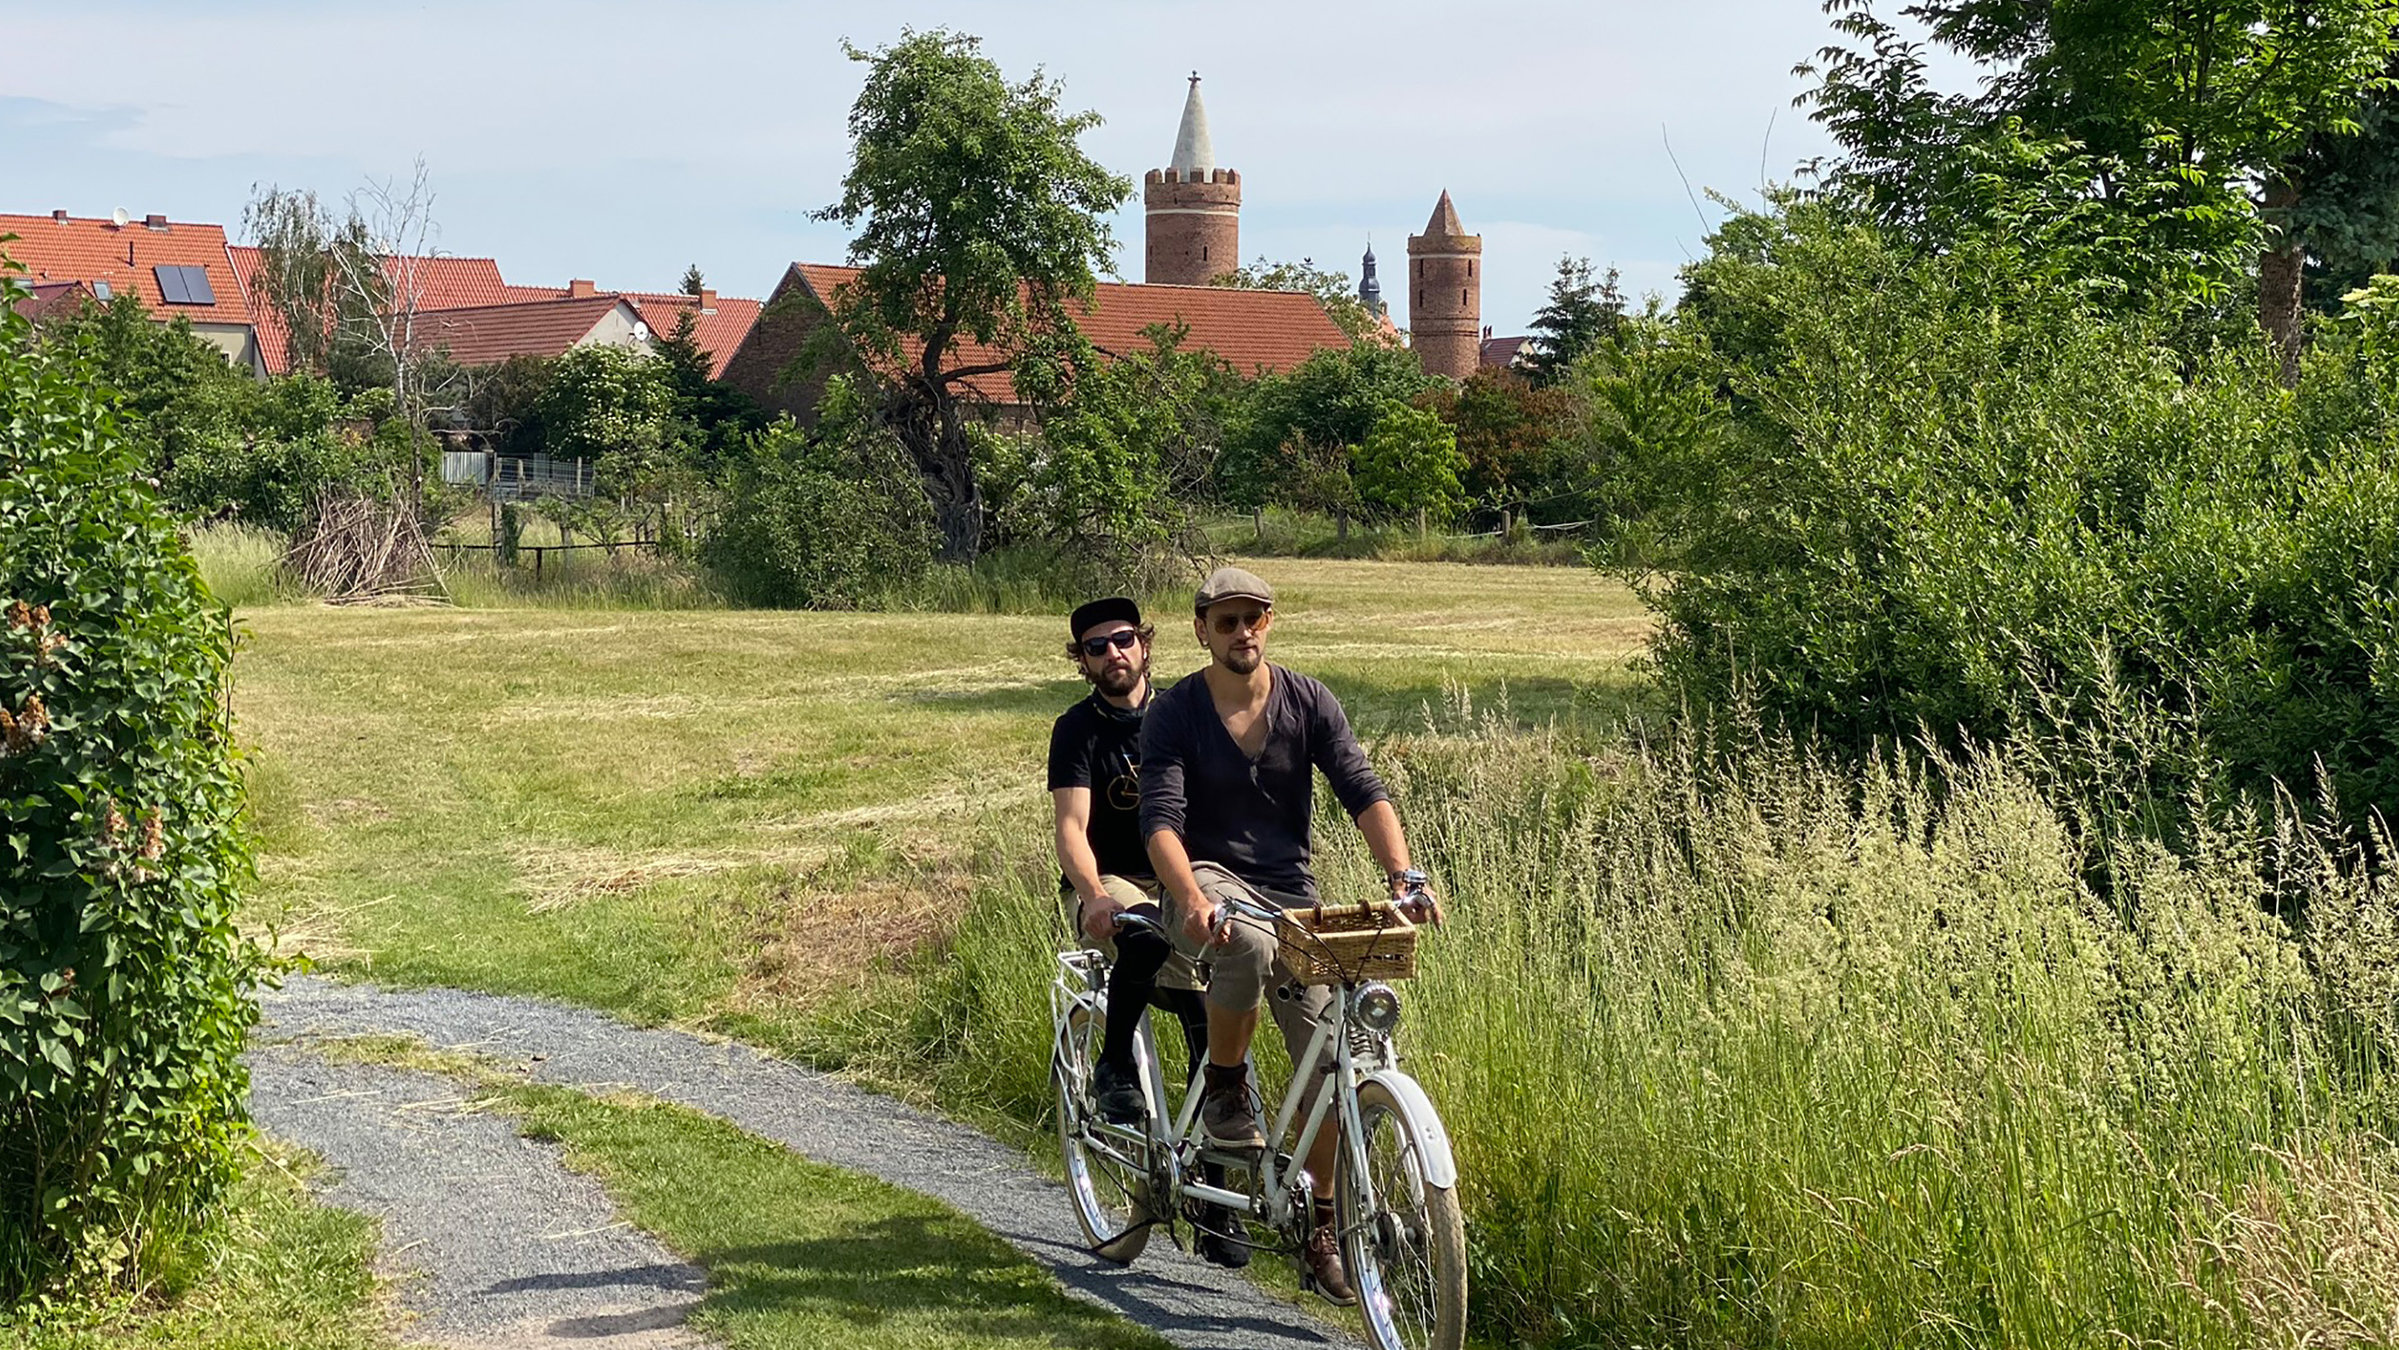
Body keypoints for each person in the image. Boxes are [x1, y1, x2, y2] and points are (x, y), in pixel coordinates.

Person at [1139, 566, 1441, 1307]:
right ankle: (1226, 1087)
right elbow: (1160, 824)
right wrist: (1189, 899)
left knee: (1334, 1059)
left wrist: (1404, 878)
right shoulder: (1176, 710)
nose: (1242, 632)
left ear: (1270, 622)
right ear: (1201, 628)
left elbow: (1361, 789)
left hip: (1290, 894)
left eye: (1255, 618)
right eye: (1227, 620)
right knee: (1246, 943)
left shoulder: (1308, 700)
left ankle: (1323, 1228)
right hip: (1204, 883)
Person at [1048, 596, 1248, 1270]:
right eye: (1097, 647)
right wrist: (1094, 893)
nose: (1113, 655)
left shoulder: (1185, 714)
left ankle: (1215, 1203)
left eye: (1124, 640)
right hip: (1115, 885)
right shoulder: (1076, 730)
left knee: (1210, 1024)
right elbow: (1071, 831)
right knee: (1142, 937)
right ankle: (1111, 1064)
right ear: (1081, 660)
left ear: (1146, 644)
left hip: (1187, 881)